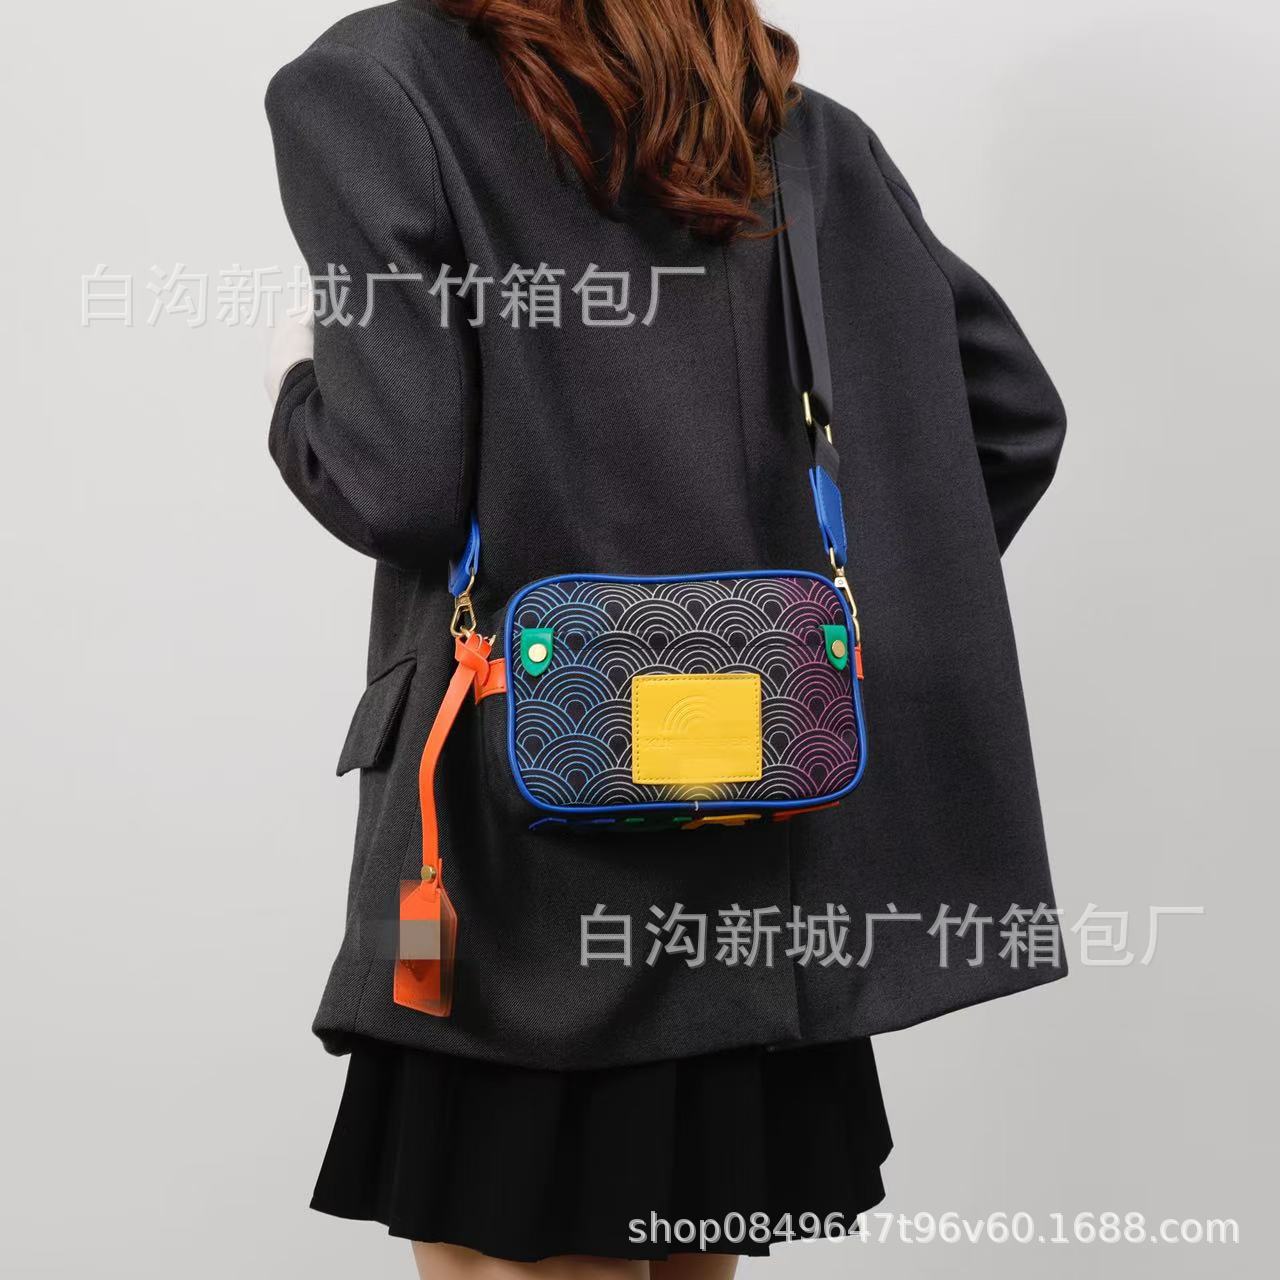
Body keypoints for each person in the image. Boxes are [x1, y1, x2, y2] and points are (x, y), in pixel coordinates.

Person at [264, 2, 1067, 1276]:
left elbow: (397, 481)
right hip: (755, 858)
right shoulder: (781, 127)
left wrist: (295, 389)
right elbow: (1007, 418)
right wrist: (809, 636)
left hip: (517, 883)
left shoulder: (380, 85)